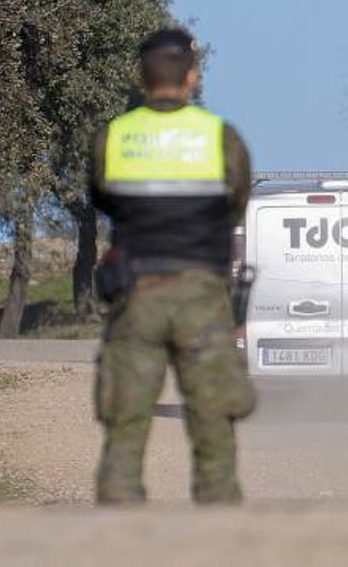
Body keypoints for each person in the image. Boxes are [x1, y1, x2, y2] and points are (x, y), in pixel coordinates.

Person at [89, 28, 255, 505]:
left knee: (125, 419)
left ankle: (120, 531)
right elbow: (236, 205)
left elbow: (103, 198)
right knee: (212, 417)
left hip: (136, 294)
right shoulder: (221, 139)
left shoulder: (114, 137)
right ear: (192, 78)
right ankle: (219, 526)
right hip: (202, 296)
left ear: (141, 78)